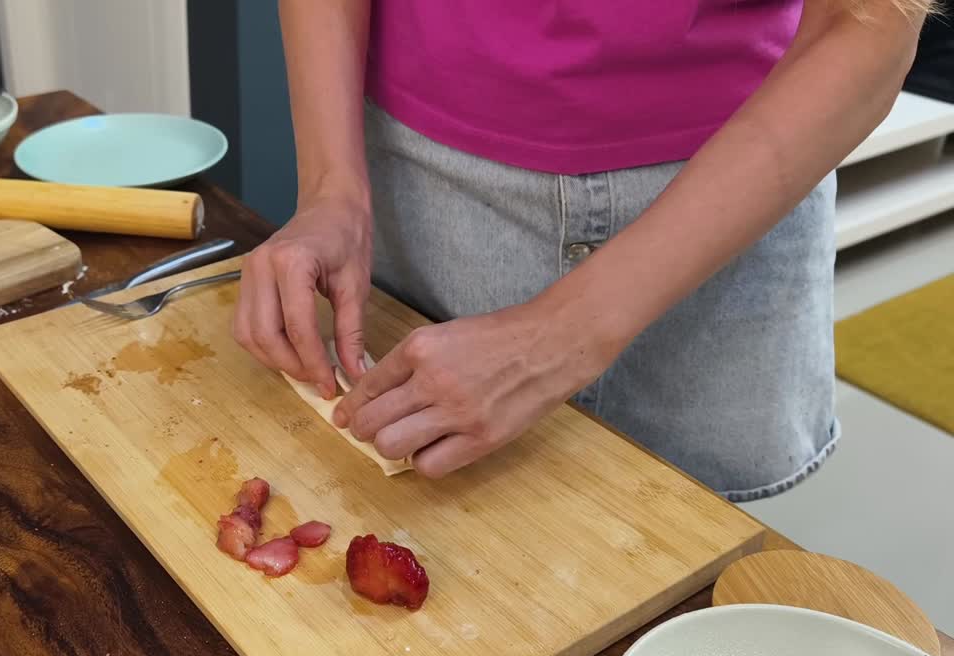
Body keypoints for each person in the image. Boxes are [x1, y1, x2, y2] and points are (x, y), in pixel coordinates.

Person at [232, 0, 930, 500]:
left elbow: (865, 23)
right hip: (424, 179)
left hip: (729, 195)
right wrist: (331, 189)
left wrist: (560, 337)